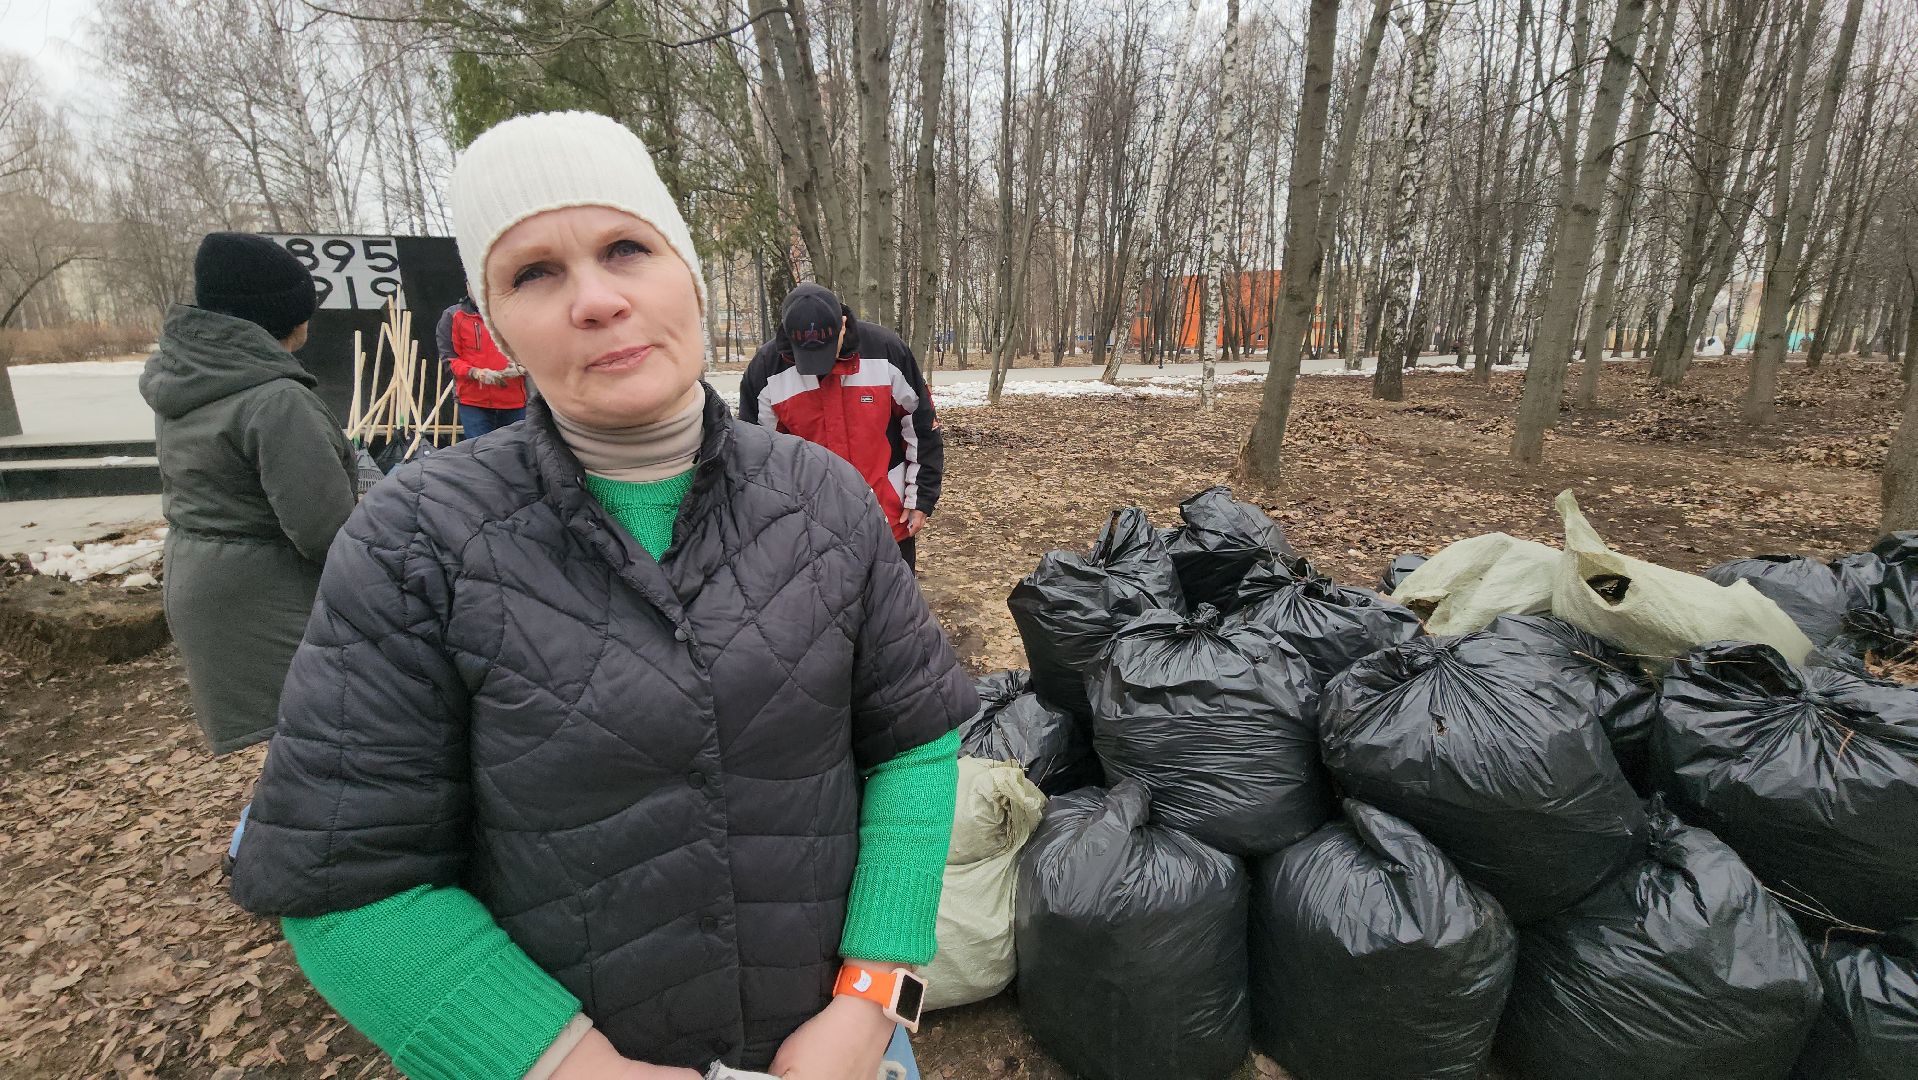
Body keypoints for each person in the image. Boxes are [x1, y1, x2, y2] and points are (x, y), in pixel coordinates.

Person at [230, 110, 972, 1080]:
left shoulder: (822, 499)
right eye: (533, 272)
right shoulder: (415, 540)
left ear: (688, 274)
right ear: (496, 326)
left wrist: (877, 997)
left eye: (627, 247)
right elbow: (345, 883)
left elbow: (912, 741)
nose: (594, 299)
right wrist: (573, 1069)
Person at [139, 232, 357, 756]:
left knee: (283, 759)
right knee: (324, 749)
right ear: (284, 315)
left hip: (205, 581)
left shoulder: (193, 377)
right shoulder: (275, 400)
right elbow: (327, 531)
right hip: (268, 596)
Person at [739, 285, 944, 572]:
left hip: (886, 517)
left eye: (826, 350)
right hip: (809, 528)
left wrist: (920, 498)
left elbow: (922, 426)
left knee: (896, 612)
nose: (819, 365)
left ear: (843, 325)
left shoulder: (886, 351)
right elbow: (756, 457)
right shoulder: (766, 370)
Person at [436, 293, 529, 438]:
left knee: (517, 455)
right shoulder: (453, 316)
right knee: (480, 455)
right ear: (467, 285)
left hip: (513, 402)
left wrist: (522, 367)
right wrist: (475, 372)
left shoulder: (516, 314)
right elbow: (450, 360)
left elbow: (536, 351)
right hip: (474, 403)